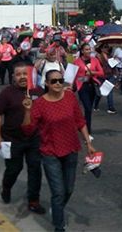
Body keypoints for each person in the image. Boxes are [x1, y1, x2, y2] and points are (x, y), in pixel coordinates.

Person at [22, 69, 96, 232]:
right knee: (58, 191)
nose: (57, 84)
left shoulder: (70, 97)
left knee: (68, 189)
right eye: (53, 81)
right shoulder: (40, 103)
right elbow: (28, 130)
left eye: (60, 80)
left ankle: (57, 209)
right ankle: (59, 225)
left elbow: (80, 121)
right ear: (47, 84)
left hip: (70, 149)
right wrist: (28, 110)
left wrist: (88, 142)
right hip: (50, 152)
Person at [0, 62, 46, 214]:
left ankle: (33, 201)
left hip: (34, 139)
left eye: (25, 74)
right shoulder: (7, 93)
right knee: (13, 169)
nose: (22, 77)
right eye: (19, 74)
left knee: (35, 168)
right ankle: (6, 188)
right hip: (11, 139)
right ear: (13, 77)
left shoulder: (37, 91)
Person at [73, 43, 104, 135]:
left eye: (89, 49)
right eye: (86, 49)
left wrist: (92, 73)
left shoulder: (95, 60)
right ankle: (88, 132)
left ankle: (83, 126)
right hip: (82, 87)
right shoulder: (77, 62)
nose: (89, 51)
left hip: (93, 86)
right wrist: (84, 77)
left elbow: (101, 73)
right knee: (88, 108)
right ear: (82, 51)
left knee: (89, 109)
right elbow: (74, 77)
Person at [94, 42, 117, 114]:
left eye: (108, 47)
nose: (107, 48)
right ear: (101, 48)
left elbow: (114, 66)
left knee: (109, 91)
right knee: (100, 93)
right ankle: (95, 105)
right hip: (101, 76)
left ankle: (111, 108)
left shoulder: (110, 56)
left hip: (109, 75)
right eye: (105, 47)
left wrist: (115, 74)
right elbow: (96, 67)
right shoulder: (97, 57)